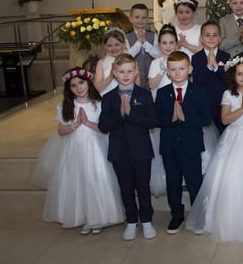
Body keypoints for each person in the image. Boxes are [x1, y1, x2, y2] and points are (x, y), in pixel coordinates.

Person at [186, 57, 243, 242]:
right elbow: (225, 119)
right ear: (233, 76)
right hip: (235, 137)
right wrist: (242, 109)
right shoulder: (228, 94)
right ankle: (231, 217)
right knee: (233, 177)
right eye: (240, 74)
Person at [33, 68, 124, 234]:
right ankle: (83, 217)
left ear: (88, 83)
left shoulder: (99, 103)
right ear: (69, 89)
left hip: (97, 148)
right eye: (73, 86)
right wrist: (76, 124)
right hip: (75, 150)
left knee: (95, 180)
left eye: (81, 83)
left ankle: (98, 218)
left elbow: (105, 129)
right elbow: (61, 131)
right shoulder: (66, 106)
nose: (79, 88)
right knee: (78, 182)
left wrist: (88, 123)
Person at [98, 54, 158, 241]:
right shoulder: (108, 98)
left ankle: (147, 220)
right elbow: (103, 125)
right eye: (121, 72)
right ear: (115, 73)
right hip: (119, 151)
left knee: (143, 186)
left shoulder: (145, 94)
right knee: (126, 187)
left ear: (136, 72)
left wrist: (131, 114)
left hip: (141, 150)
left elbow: (152, 121)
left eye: (129, 71)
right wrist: (120, 115)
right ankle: (131, 221)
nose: (125, 75)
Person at [155, 51, 211, 234]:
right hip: (169, 146)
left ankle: (198, 216)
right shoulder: (163, 93)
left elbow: (206, 119)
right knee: (173, 182)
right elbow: (156, 119)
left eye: (181, 68)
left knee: (194, 182)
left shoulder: (199, 91)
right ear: (168, 72)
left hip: (191, 145)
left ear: (190, 69)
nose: (177, 72)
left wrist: (185, 118)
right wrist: (171, 117)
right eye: (173, 69)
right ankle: (176, 215)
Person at [146, 24, 178, 196]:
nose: (168, 46)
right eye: (164, 43)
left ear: (176, 43)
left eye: (171, 42)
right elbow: (151, 85)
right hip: (161, 107)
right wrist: (163, 71)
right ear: (159, 45)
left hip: (179, 105)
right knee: (161, 144)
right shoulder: (155, 63)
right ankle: (164, 179)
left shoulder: (182, 58)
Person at [191, 22, 230, 133]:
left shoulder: (226, 56)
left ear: (220, 38)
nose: (211, 38)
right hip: (204, 103)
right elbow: (197, 81)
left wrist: (217, 67)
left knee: (223, 133)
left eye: (215, 35)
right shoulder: (196, 58)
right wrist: (208, 67)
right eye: (207, 35)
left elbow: (229, 80)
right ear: (201, 39)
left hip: (223, 103)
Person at [126, 4, 159, 88]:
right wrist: (138, 43)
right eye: (137, 17)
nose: (140, 20)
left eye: (143, 18)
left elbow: (158, 55)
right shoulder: (126, 37)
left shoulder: (154, 35)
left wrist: (145, 42)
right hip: (133, 78)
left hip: (151, 77)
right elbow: (127, 56)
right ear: (130, 19)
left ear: (148, 19)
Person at [94, 27, 127, 96]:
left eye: (117, 45)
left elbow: (137, 84)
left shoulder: (130, 61)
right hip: (106, 98)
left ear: (124, 45)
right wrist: (111, 76)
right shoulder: (101, 63)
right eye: (109, 45)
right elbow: (98, 88)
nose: (113, 48)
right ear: (105, 47)